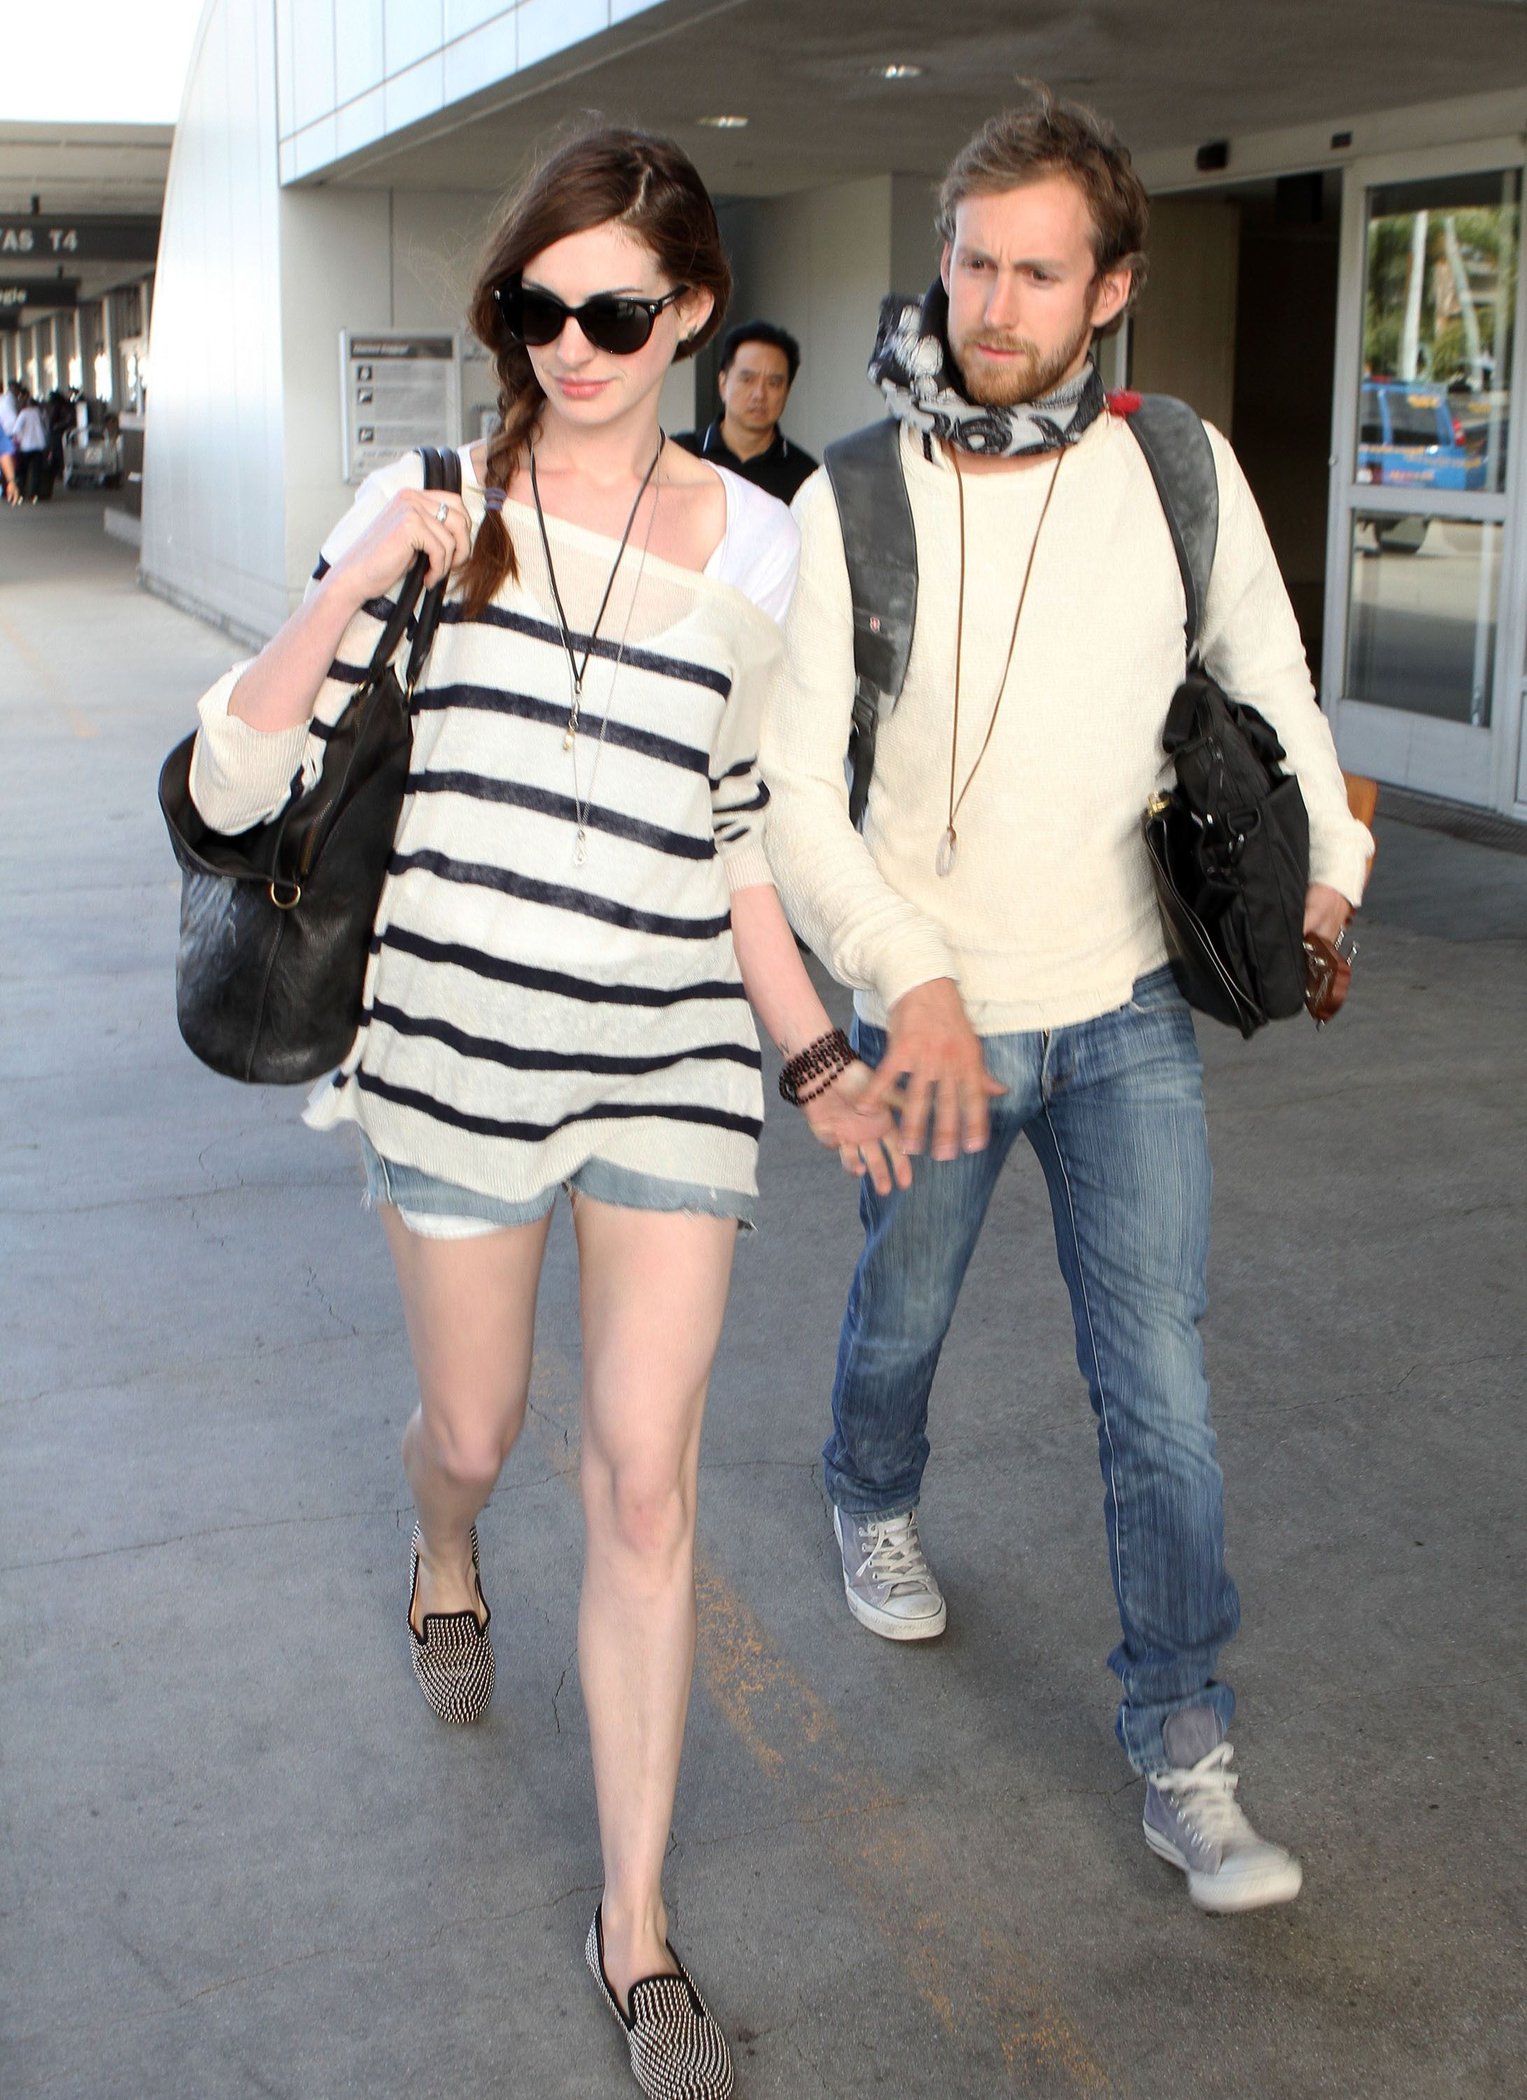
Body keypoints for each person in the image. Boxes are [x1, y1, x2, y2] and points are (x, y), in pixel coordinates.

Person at [183, 124, 902, 2100]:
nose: (570, 346)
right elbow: (233, 786)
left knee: (646, 1484)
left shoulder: (761, 542)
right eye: (535, 305)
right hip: (457, 1053)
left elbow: (741, 831)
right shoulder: (430, 499)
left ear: (691, 314)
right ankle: (442, 1547)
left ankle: (634, 1926)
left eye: (614, 312)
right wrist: (359, 576)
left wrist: (813, 1050)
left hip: (670, 1053)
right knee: (480, 1436)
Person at [761, 88, 1374, 1916]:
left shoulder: (1171, 468)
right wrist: (911, 980)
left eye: (1037, 274)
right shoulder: (852, 494)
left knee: (1158, 1388)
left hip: (1119, 1009)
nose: (992, 307)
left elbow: (1270, 681)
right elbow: (794, 798)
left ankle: (1184, 1750)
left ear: (1109, 290)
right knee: (903, 1312)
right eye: (971, 265)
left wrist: (1331, 870)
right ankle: (869, 1488)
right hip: (933, 1014)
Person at [675, 320, 817, 502]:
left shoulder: (806, 477)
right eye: (747, 379)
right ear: (723, 383)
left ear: (787, 391)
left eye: (773, 383)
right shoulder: (680, 454)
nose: (759, 395)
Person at [13, 389, 52, 503]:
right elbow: (47, 428)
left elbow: (16, 429)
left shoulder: (24, 413)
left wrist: (20, 438)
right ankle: (34, 495)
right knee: (36, 472)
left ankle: (20, 494)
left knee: (23, 472)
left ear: (27, 405)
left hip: (25, 447)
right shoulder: (41, 413)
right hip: (39, 447)